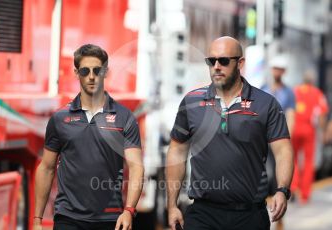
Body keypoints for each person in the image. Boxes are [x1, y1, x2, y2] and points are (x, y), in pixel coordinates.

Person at [166, 36, 294, 230]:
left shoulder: (266, 104)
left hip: (249, 216)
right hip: (202, 214)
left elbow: (283, 150)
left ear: (240, 63)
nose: (216, 66)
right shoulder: (192, 102)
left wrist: (282, 190)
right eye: (211, 61)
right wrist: (172, 205)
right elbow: (177, 151)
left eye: (224, 61)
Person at [33, 44, 144, 230]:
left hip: (109, 220)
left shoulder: (124, 117)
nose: (91, 76)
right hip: (67, 218)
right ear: (76, 73)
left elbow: (136, 167)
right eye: (85, 71)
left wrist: (129, 210)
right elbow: (46, 167)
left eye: (97, 70)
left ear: (106, 72)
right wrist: (37, 220)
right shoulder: (60, 119)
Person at [261, 55, 296, 230]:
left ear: (284, 72)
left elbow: (291, 115)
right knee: (260, 174)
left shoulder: (288, 93)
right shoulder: (263, 88)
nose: (277, 71)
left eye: (280, 69)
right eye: (275, 68)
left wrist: (287, 139)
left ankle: (279, 214)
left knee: (277, 177)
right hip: (261, 139)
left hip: (277, 139)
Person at [291, 70, 329, 204]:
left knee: (293, 159)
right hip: (309, 131)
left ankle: (293, 187)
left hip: (295, 129)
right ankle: (305, 195)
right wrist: (323, 132)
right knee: (308, 162)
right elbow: (322, 114)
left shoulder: (294, 91)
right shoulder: (317, 93)